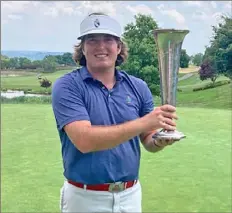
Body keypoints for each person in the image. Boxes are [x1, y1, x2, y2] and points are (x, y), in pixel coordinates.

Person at [51, 12, 179, 213]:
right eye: (92, 40)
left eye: (108, 40)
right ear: (82, 48)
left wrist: (158, 141)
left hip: (130, 195)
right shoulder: (67, 86)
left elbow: (148, 139)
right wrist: (145, 122)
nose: (100, 47)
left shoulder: (138, 86)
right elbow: (85, 141)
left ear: (118, 47)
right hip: (84, 198)